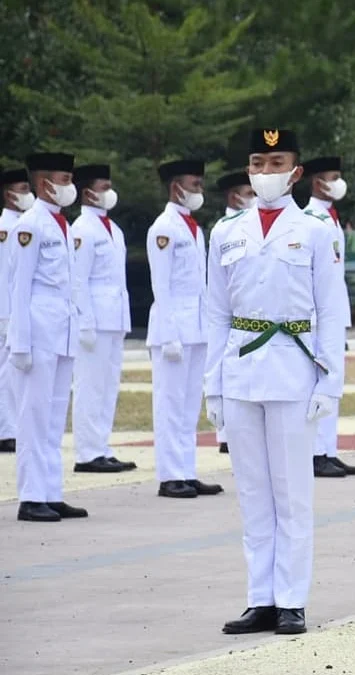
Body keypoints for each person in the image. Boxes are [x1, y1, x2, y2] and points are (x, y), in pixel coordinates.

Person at [204, 127, 347, 635]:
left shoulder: (315, 230)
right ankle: (259, 598)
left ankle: (291, 599)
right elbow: (215, 313)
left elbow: (333, 312)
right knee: (252, 492)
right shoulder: (227, 231)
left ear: (296, 172)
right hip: (241, 369)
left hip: (292, 369)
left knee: (292, 493)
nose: (265, 173)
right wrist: (213, 385)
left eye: (275, 162)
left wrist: (329, 383)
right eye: (257, 163)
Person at [8, 152, 88, 522]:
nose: (70, 187)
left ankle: (51, 492)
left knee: (55, 417)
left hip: (63, 332)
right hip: (38, 334)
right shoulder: (30, 225)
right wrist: (19, 343)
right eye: (65, 179)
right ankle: (30, 496)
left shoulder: (62, 224)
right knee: (34, 416)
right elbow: (18, 288)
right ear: (45, 184)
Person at [147, 159, 222, 499]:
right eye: (194, 185)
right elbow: (160, 287)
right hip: (173, 329)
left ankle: (186, 471)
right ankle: (169, 476)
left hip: (196, 327)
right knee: (170, 404)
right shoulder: (163, 228)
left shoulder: (194, 228)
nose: (199, 191)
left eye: (200, 185)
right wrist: (168, 334)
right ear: (176, 187)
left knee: (190, 404)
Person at [69, 164, 136, 474]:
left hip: (114, 317)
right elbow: (78, 280)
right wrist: (84, 321)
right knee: (89, 387)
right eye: (104, 186)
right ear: (89, 193)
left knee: (108, 387)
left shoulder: (114, 229)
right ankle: (86, 453)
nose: (110, 192)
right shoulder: (82, 229)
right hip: (93, 319)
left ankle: (102, 447)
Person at [302, 155, 355, 477]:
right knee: (319, 380)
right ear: (317, 183)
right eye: (333, 177)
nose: (339, 183)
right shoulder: (311, 219)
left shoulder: (330, 218)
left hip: (335, 310)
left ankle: (328, 449)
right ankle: (314, 452)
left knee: (333, 379)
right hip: (318, 314)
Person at [210, 170, 256, 455]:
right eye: (249, 193)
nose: (254, 197)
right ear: (234, 197)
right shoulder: (224, 229)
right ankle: (225, 433)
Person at [0, 166, 35, 454]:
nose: (28, 195)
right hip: (5, 309)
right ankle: (6, 430)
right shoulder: (6, 227)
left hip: (14, 309)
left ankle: (12, 427)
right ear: (8, 194)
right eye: (23, 190)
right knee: (5, 373)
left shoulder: (26, 224)